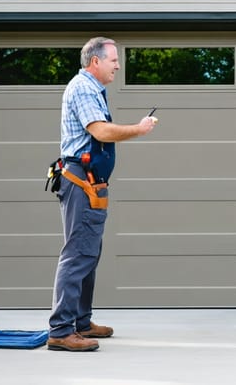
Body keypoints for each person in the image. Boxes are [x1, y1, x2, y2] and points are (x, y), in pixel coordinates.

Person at [47, 36, 157, 352]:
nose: (117, 66)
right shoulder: (83, 88)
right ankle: (61, 330)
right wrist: (138, 129)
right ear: (95, 61)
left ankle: (80, 322)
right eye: (113, 60)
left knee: (88, 254)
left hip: (91, 181)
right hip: (80, 181)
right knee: (77, 253)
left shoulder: (95, 90)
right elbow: (100, 131)